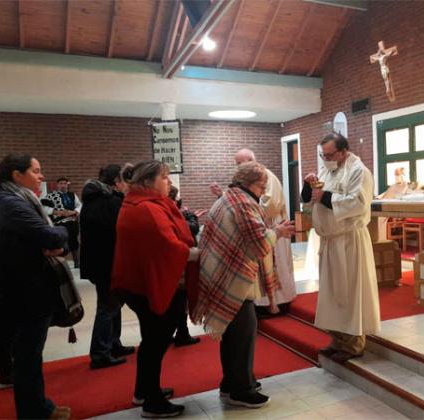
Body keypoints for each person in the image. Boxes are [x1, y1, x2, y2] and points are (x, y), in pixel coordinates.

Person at [193, 161, 294, 409]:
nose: (262, 191)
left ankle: (233, 383)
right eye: (261, 186)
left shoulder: (231, 198)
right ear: (250, 184)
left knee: (234, 335)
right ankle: (242, 390)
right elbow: (259, 243)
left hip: (223, 274)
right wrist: (278, 231)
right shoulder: (244, 203)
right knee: (243, 335)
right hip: (233, 280)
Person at [0, 154, 71, 419]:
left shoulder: (4, 200)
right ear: (16, 176)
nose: (41, 176)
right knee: (29, 355)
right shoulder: (11, 203)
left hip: (17, 285)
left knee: (27, 353)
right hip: (26, 288)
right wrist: (64, 230)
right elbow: (50, 234)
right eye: (36, 171)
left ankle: (38, 406)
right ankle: (35, 411)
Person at [111, 160, 197, 418]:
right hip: (149, 285)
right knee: (156, 341)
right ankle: (152, 401)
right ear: (148, 182)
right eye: (165, 177)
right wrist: (196, 253)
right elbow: (168, 246)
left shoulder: (139, 202)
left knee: (152, 340)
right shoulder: (146, 207)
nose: (169, 182)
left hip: (139, 283)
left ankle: (145, 391)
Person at [301, 133, 381, 363]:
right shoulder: (329, 169)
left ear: (343, 151)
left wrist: (324, 195)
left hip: (348, 241)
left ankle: (354, 344)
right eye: (322, 155)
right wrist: (308, 186)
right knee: (332, 293)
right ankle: (337, 340)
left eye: (328, 154)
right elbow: (310, 199)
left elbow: (358, 203)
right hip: (330, 241)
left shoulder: (359, 171)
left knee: (349, 292)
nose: (324, 159)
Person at [80, 164, 135, 370]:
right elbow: (118, 232)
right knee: (108, 306)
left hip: (98, 262)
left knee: (114, 304)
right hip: (107, 262)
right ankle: (100, 353)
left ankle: (113, 343)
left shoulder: (93, 199)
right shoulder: (108, 202)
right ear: (116, 182)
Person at [233, 149, 297, 317]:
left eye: (241, 163)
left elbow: (271, 204)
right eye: (236, 164)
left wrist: (249, 210)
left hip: (273, 227)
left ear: (251, 161)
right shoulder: (247, 181)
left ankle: (279, 303)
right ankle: (262, 303)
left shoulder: (267, 176)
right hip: (261, 229)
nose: (238, 167)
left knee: (276, 265)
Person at [166, 185, 202, 347]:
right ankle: (180, 333)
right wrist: (192, 216)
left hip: (174, 263)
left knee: (178, 300)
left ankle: (180, 332)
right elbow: (190, 229)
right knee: (179, 300)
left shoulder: (169, 212)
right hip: (179, 263)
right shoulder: (173, 213)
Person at [43, 177, 82, 268]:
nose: (63, 185)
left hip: (72, 223)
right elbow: (44, 208)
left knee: (74, 242)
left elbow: (79, 205)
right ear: (57, 185)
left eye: (65, 183)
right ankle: (60, 264)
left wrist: (74, 212)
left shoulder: (72, 195)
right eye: (61, 183)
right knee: (61, 243)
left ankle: (77, 262)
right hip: (59, 224)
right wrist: (56, 212)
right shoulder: (51, 196)